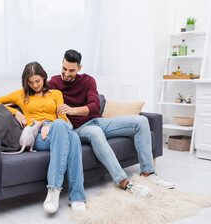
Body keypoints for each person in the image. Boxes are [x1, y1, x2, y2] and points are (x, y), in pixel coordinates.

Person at [48, 49, 174, 197]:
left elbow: (95, 106)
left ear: (79, 68)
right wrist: (17, 112)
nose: (67, 73)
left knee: (141, 121)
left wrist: (72, 110)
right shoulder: (54, 83)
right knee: (95, 132)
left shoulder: (88, 80)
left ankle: (148, 174)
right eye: (64, 68)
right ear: (61, 64)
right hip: (79, 129)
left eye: (71, 70)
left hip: (99, 122)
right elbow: (32, 95)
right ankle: (124, 182)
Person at [0, 61, 87, 212]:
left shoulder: (56, 94)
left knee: (68, 133)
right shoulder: (21, 95)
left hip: (55, 129)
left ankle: (71, 196)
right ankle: (67, 194)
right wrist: (16, 112)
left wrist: (50, 126)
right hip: (38, 135)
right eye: (31, 82)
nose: (35, 85)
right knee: (72, 137)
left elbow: (61, 117)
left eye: (38, 81)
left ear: (44, 78)